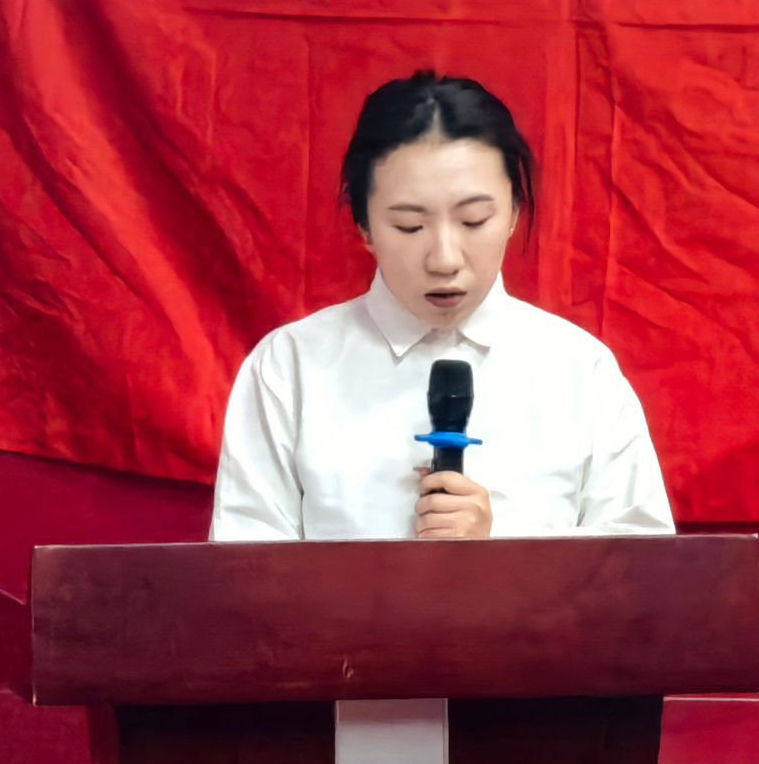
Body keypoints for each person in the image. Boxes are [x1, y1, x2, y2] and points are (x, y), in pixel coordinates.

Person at [209, 70, 675, 541]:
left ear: (514, 212)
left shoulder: (579, 370)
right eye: (409, 227)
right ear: (364, 226)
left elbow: (641, 561)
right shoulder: (290, 368)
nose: (445, 260)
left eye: (474, 220)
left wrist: (500, 550)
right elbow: (244, 563)